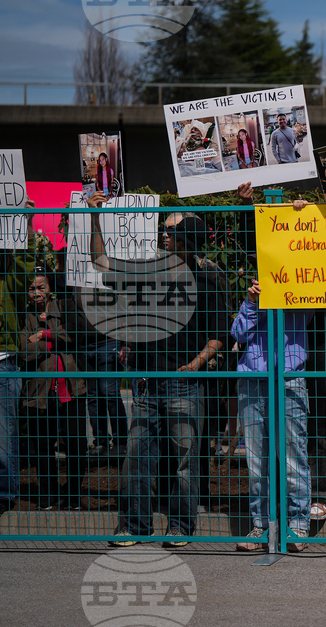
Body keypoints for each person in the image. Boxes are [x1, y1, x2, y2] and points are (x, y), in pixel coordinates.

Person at [88, 190, 227, 547]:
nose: (163, 234)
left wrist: (193, 366)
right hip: (147, 384)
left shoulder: (209, 281)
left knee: (185, 461)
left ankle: (181, 526)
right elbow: (102, 262)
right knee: (136, 457)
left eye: (171, 230)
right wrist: (95, 217)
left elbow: (218, 338)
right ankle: (134, 526)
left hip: (183, 383)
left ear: (190, 238)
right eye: (163, 229)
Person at [231, 270, 314, 553]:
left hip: (289, 378)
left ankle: (297, 525)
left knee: (293, 457)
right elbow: (238, 333)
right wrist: (252, 302)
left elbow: (312, 314)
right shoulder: (252, 297)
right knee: (256, 462)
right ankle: (261, 524)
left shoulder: (304, 290)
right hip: (253, 381)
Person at [20, 270, 88, 510]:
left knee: (76, 444)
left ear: (50, 288)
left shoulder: (65, 306)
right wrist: (54, 340)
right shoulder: (22, 316)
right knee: (42, 444)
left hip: (72, 388)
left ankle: (72, 494)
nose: (37, 293)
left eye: (41, 287)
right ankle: (49, 493)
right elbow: (23, 350)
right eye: (32, 288)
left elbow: (77, 332)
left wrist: (42, 335)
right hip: (40, 392)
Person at [0, 236, 34, 516]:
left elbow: (24, 267)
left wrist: (27, 227)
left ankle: (3, 496)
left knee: (3, 438)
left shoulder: (9, 283)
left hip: (3, 366)